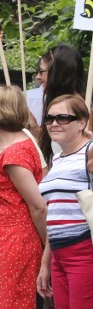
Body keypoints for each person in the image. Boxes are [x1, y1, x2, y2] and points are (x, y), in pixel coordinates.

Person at [0, 86, 46, 309]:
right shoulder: (16, 145)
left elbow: (38, 206)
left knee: (16, 303)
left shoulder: (13, 152)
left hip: (15, 241)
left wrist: (49, 246)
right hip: (7, 241)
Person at [37, 94, 93, 308]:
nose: (53, 123)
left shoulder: (89, 152)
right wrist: (46, 264)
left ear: (81, 122)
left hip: (84, 248)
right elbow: (54, 213)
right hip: (58, 252)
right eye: (49, 118)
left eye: (62, 118)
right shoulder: (58, 159)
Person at [38, 45, 85, 164]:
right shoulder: (55, 104)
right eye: (50, 118)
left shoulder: (82, 109)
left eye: (62, 118)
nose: (38, 77)